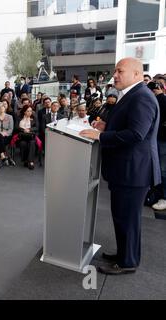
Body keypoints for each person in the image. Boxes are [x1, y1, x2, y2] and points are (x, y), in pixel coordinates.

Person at [80, 57, 161, 275]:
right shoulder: (132, 95)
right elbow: (130, 126)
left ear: (136, 74)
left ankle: (128, 263)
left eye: (120, 71)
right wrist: (107, 126)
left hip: (134, 171)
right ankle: (124, 254)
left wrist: (101, 136)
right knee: (123, 217)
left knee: (128, 219)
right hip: (127, 170)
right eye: (115, 71)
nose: (114, 75)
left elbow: (136, 134)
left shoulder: (141, 97)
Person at [148, 81, 166, 211]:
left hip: (162, 140)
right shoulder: (159, 100)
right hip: (158, 139)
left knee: (162, 169)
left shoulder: (160, 101)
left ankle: (163, 197)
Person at [17, 105, 38, 170]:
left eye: (31, 111)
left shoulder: (34, 118)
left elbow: (37, 127)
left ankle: (30, 161)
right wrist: (23, 130)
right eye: (28, 111)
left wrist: (29, 129)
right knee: (23, 143)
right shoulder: (19, 118)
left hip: (31, 135)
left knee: (32, 142)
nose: (30, 112)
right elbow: (16, 127)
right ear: (24, 111)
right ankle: (25, 160)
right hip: (22, 136)